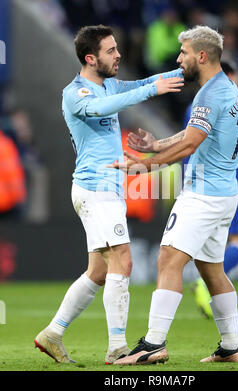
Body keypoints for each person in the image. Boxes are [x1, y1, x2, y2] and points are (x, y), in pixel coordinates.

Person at [34, 24, 184, 365]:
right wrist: (151, 91)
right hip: (95, 187)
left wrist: (187, 69)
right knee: (124, 261)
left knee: (99, 272)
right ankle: (117, 347)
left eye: (117, 48)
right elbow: (105, 108)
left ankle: (52, 333)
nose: (119, 55)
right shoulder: (75, 93)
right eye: (111, 51)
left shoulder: (110, 85)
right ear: (91, 58)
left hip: (107, 189)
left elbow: (141, 85)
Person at [110, 25, 238, 365]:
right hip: (223, 194)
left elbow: (190, 143)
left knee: (168, 259)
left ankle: (153, 344)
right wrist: (157, 144)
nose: (178, 58)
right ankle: (232, 347)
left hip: (201, 197)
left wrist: (144, 166)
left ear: (201, 56)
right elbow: (193, 132)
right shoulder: (228, 91)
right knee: (213, 271)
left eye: (183, 52)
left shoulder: (209, 95)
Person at [186, 62, 238, 319]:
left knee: (212, 245)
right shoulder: (232, 103)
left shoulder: (194, 104)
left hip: (199, 183)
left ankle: (215, 301)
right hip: (229, 183)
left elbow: (187, 143)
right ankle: (205, 285)